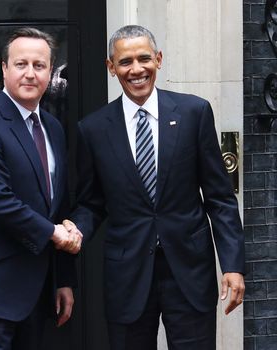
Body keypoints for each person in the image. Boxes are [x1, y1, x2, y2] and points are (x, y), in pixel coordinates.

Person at [67, 25, 245, 350]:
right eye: (125, 62)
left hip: (189, 271)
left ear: (158, 60)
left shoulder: (194, 113)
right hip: (128, 276)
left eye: (144, 58)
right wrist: (75, 228)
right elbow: (91, 203)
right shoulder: (92, 130)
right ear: (111, 67)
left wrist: (232, 265)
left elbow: (219, 198)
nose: (136, 69)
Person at [0, 27, 82, 350]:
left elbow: (57, 204)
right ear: (4, 69)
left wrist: (62, 279)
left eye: (40, 65)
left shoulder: (52, 127)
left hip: (35, 293)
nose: (30, 74)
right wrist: (54, 233)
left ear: (51, 72)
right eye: (21, 64)